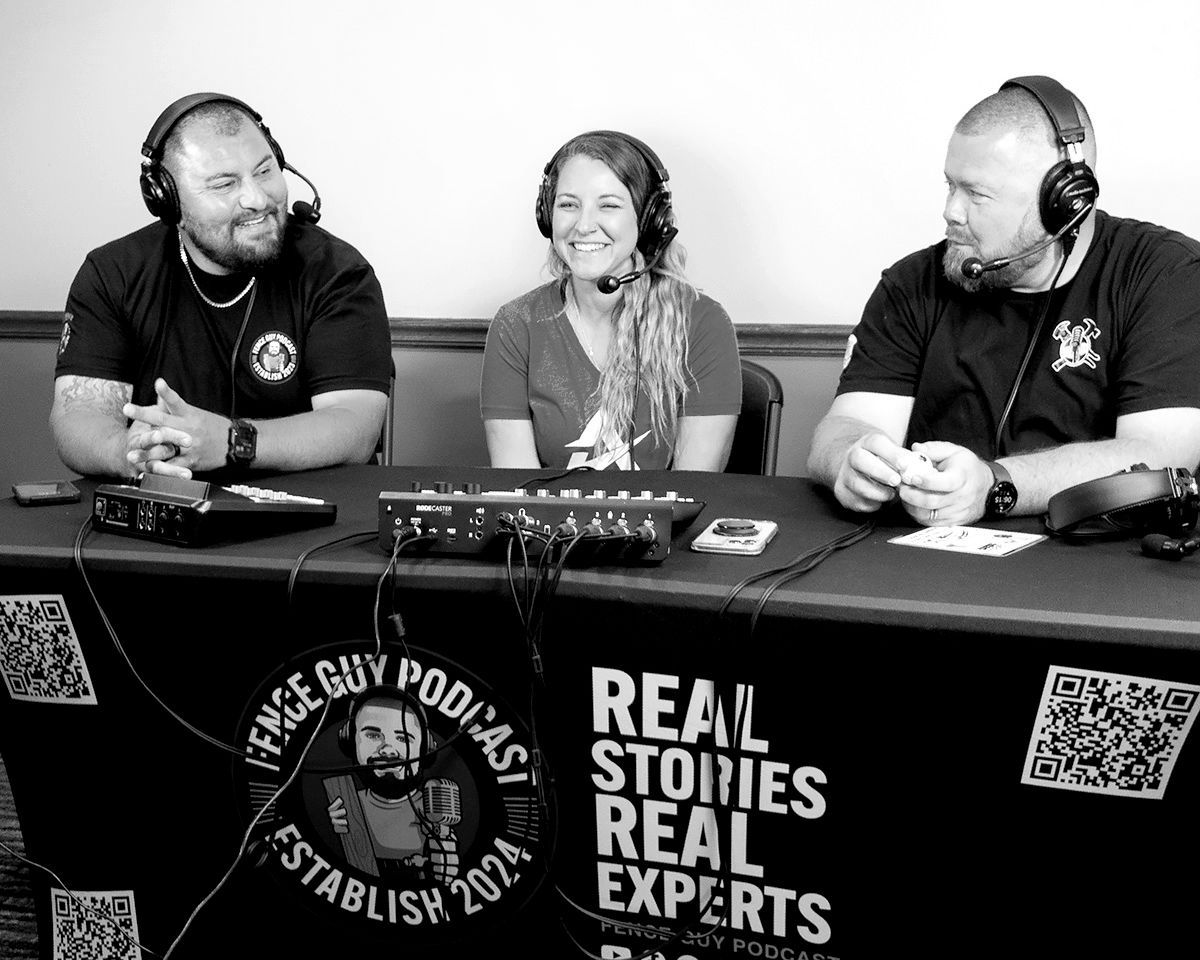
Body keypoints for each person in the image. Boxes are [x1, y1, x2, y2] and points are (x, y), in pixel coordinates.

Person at [807, 75, 1200, 526]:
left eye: (977, 194)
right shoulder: (911, 283)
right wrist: (851, 461)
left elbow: (1159, 457)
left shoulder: (1168, 277)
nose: (951, 211)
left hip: (1098, 565)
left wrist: (994, 484)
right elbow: (845, 426)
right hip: (923, 567)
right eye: (950, 186)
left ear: (1065, 201)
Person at [51, 93, 392, 480]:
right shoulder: (112, 274)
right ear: (168, 201)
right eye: (224, 184)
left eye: (264, 172)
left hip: (314, 523)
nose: (257, 199)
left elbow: (355, 429)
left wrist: (232, 442)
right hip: (166, 515)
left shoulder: (338, 272)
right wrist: (130, 453)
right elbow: (78, 416)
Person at [480, 130, 742, 471]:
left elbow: (691, 491)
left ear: (649, 220)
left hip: (667, 527)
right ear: (547, 215)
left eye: (609, 205)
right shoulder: (517, 324)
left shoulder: (702, 324)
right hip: (546, 526)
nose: (584, 225)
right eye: (569, 205)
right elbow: (518, 489)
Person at [325, 685, 460, 884]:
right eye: (372, 735)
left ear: (426, 748)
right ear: (350, 741)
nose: (388, 750)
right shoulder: (345, 805)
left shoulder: (435, 812)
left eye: (403, 738)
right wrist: (343, 832)